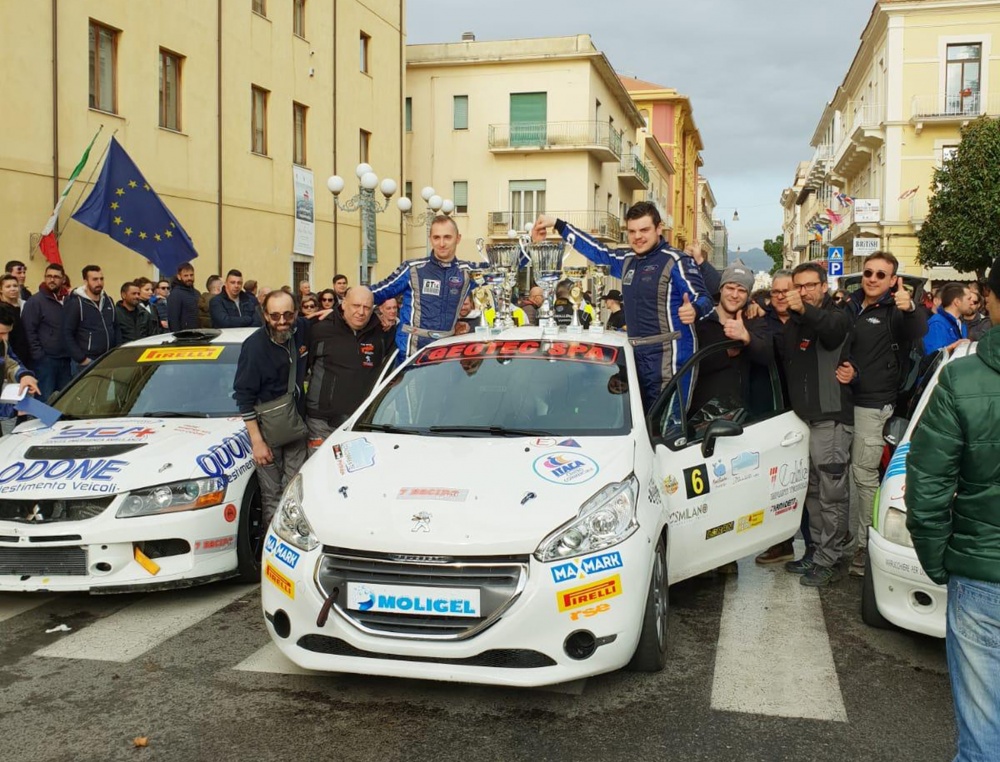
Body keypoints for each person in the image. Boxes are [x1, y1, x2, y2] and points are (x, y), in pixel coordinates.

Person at [905, 254, 1000, 761]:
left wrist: (942, 561)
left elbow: (927, 490)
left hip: (983, 575)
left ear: (991, 301)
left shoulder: (962, 380)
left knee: (985, 736)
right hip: (981, 570)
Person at [533, 202, 714, 410]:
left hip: (670, 355)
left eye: (644, 230)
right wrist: (559, 225)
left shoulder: (676, 260)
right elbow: (597, 251)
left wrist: (695, 309)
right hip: (635, 356)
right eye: (632, 231)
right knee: (642, 426)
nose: (638, 237)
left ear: (659, 229)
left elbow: (705, 299)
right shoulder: (627, 260)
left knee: (667, 426)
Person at [837, 252, 928, 576]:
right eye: (868, 272)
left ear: (892, 280)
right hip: (844, 401)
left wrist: (911, 306)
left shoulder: (895, 312)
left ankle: (865, 543)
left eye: (880, 275)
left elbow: (918, 328)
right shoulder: (848, 304)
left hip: (873, 405)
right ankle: (848, 536)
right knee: (843, 473)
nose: (872, 278)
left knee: (863, 475)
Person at [776, 263, 854, 586]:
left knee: (832, 493)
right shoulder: (798, 321)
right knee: (811, 491)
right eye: (799, 286)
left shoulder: (835, 315)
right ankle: (817, 550)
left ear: (824, 286)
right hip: (805, 421)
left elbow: (831, 330)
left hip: (831, 420)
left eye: (810, 285)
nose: (804, 291)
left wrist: (803, 309)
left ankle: (830, 556)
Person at [233, 290, 308, 524]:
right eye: (275, 316)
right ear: (265, 315)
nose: (282, 322)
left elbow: (329, 319)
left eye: (288, 314)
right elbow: (244, 396)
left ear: (296, 313)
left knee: (296, 494)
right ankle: (270, 551)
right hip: (267, 434)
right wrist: (257, 442)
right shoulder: (253, 347)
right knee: (272, 497)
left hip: (296, 427)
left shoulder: (303, 330)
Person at [371, 215, 475, 359]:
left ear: (458, 238)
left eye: (447, 237)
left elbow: (503, 270)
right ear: (430, 239)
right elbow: (377, 292)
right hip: (409, 351)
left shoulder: (467, 271)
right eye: (436, 237)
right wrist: (338, 312)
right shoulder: (413, 268)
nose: (442, 243)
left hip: (446, 351)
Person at [305, 286, 392, 450]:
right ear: (344, 304)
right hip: (322, 423)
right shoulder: (319, 329)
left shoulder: (382, 332)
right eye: (356, 305)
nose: (361, 312)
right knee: (321, 472)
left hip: (362, 423)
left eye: (366, 307)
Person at [688, 261, 772, 417]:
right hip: (698, 418)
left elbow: (768, 355)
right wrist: (724, 351)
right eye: (730, 288)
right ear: (721, 289)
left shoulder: (753, 321)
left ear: (748, 295)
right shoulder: (700, 322)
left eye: (741, 290)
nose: (734, 295)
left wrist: (746, 337)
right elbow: (689, 363)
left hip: (741, 419)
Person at [21, 263, 72, 401]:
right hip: (45, 362)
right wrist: (39, 356)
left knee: (64, 401)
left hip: (66, 360)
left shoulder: (68, 300)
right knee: (45, 402)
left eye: (56, 277)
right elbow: (29, 331)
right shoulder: (35, 301)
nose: (52, 280)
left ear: (63, 280)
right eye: (49, 276)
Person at [62, 265, 120, 376]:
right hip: (86, 362)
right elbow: (67, 333)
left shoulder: (108, 301)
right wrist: (82, 359)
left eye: (101, 279)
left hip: (107, 359)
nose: (99, 282)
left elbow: (116, 327)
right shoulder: (76, 303)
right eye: (94, 279)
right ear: (85, 281)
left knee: (104, 393)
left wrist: (116, 352)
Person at [0, 310, 41, 435]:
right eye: (1, 333)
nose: (5, 338)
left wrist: (24, 376)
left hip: (6, 405)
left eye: (8, 333)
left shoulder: (3, 344)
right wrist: (12, 409)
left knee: (47, 415)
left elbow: (10, 363)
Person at [922, 282, 974, 356]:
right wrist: (952, 347)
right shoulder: (937, 323)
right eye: (969, 299)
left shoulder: (960, 324)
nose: (971, 302)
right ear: (957, 302)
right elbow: (933, 359)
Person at [0, 273, 30, 369]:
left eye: (15, 286)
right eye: (8, 286)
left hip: (26, 354)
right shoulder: (2, 309)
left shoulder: (25, 306)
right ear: (1, 289)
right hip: (8, 354)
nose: (12, 289)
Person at [167, 262, 200, 332]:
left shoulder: (197, 293)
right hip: (184, 336)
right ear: (179, 277)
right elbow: (173, 319)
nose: (189, 278)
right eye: (186, 275)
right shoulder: (175, 294)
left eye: (191, 275)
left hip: (198, 334)